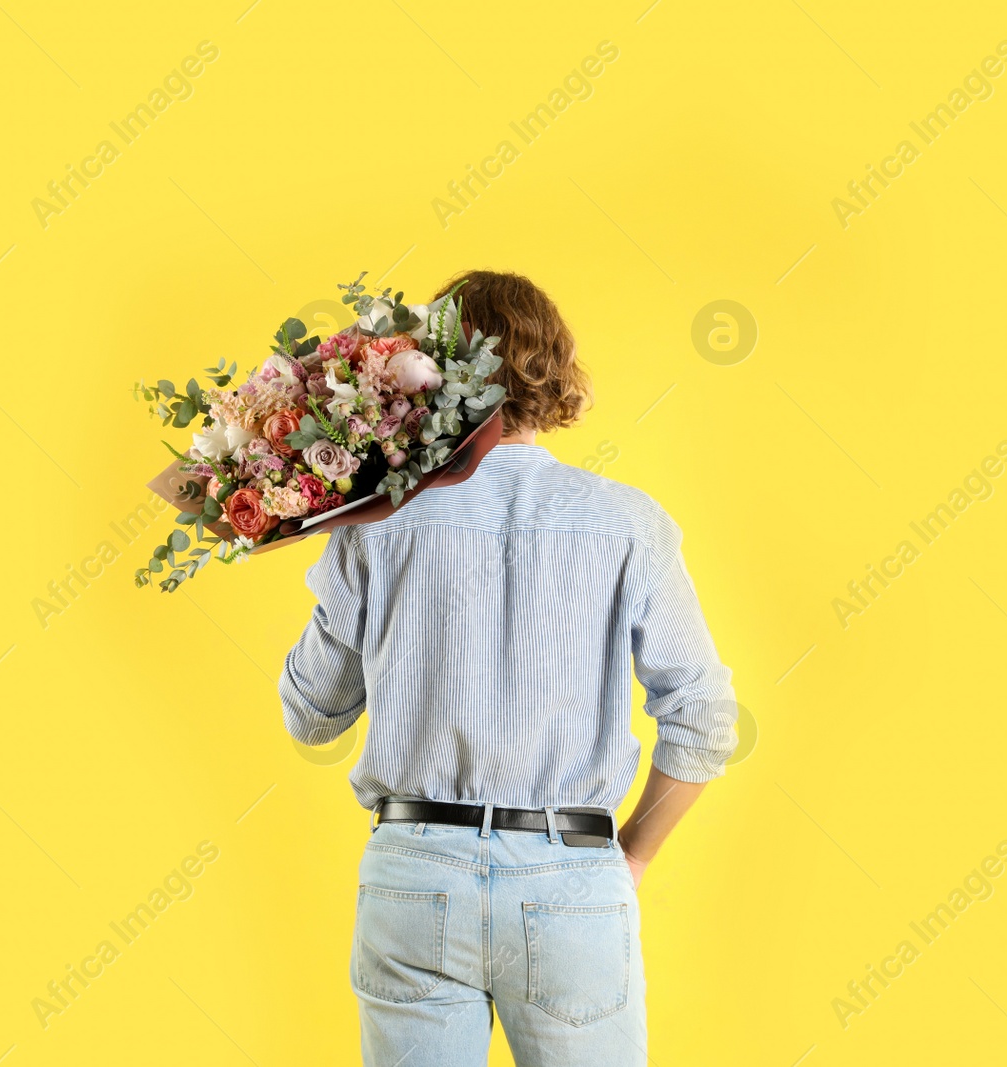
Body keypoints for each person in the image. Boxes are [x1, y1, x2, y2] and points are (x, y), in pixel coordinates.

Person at [279, 269, 736, 1066]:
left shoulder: (375, 523)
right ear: (553, 370)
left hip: (413, 869)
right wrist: (632, 855)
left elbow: (312, 713)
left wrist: (339, 531)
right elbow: (703, 718)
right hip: (570, 874)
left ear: (428, 371)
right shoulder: (629, 524)